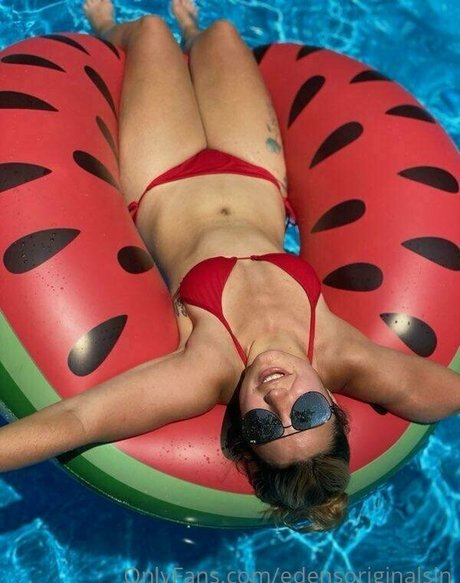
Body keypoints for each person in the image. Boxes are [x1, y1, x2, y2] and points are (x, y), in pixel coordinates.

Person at [1, 0, 459, 533]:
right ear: (334, 404)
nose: (278, 396)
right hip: (255, 169)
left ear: (244, 430)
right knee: (218, 33)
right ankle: (192, 26)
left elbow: (78, 420)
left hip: (163, 173)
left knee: (149, 34)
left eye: (265, 426)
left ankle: (105, 26)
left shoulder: (208, 369)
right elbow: (441, 397)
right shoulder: (343, 352)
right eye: (307, 414)